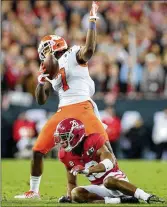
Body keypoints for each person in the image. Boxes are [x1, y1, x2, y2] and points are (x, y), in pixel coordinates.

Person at [15, 1, 113, 199]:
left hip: (83, 106)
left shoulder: (72, 53)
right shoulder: (50, 68)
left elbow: (90, 50)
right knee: (37, 150)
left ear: (51, 47)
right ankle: (34, 191)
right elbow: (41, 100)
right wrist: (42, 81)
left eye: (45, 50)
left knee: (106, 147)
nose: (43, 56)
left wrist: (92, 20)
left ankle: (118, 183)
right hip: (63, 110)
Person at [56, 118, 164, 204]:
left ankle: (145, 196)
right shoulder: (65, 155)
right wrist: (69, 197)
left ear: (77, 136)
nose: (62, 142)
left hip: (116, 181)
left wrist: (87, 170)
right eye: (60, 138)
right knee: (76, 194)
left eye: (65, 137)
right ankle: (119, 201)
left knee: (108, 181)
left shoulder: (93, 141)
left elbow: (109, 162)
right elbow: (71, 182)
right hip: (99, 188)